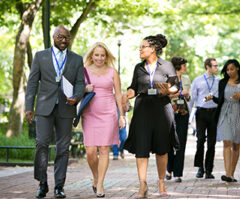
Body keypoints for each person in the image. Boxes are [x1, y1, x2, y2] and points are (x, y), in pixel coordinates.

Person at [25, 25, 85, 198]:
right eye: (60, 37)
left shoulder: (76, 59)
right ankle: (42, 183)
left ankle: (59, 186)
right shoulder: (40, 56)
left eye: (66, 37)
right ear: (53, 37)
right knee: (41, 144)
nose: (63, 40)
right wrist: (29, 107)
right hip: (44, 107)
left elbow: (80, 82)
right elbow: (32, 83)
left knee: (63, 148)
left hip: (66, 108)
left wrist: (77, 96)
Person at [122, 34, 178, 198]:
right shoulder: (138, 67)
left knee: (162, 148)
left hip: (162, 109)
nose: (140, 49)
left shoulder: (167, 65)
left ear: (153, 48)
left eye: (143, 46)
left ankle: (161, 184)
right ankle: (142, 185)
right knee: (141, 147)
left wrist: (168, 90)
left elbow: (175, 87)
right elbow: (133, 88)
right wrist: (127, 95)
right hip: (142, 110)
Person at [81, 42, 125, 198]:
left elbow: (118, 94)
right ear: (92, 56)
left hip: (108, 113)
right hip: (89, 113)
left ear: (106, 57)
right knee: (91, 151)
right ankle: (95, 176)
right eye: (97, 55)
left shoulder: (113, 72)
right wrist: (85, 89)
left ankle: (100, 184)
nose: (99, 58)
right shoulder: (84, 71)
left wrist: (121, 115)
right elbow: (76, 90)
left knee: (104, 149)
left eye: (102, 55)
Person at [207, 59, 240, 182]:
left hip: (239, 114)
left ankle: (232, 174)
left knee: (236, 144)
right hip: (225, 112)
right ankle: (227, 174)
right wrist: (212, 98)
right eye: (227, 70)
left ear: (237, 68)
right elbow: (221, 100)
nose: (229, 72)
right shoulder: (222, 82)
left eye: (231, 69)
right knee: (226, 142)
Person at [189, 58, 220, 179]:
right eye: (215, 66)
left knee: (212, 143)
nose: (217, 68)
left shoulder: (219, 81)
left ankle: (209, 170)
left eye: (217, 66)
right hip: (201, 113)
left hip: (214, 113)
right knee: (200, 140)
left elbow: (221, 98)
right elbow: (192, 99)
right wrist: (188, 115)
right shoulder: (198, 80)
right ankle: (200, 168)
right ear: (207, 67)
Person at [166, 57, 191, 183]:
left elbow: (189, 97)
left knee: (181, 142)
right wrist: (176, 94)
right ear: (178, 66)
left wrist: (187, 94)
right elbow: (164, 95)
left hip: (183, 112)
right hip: (170, 112)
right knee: (169, 141)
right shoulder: (168, 79)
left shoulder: (186, 80)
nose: (186, 68)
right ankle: (168, 169)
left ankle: (178, 173)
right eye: (184, 65)